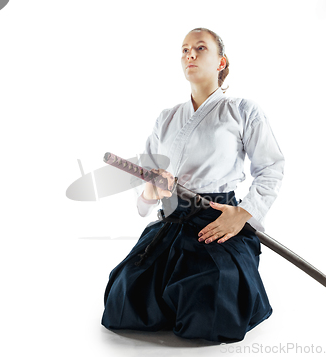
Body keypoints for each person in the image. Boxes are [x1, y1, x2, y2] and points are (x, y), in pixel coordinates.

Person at [101, 27, 285, 342]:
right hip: (174, 220)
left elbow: (271, 166)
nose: (190, 55)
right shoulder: (167, 117)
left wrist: (241, 215)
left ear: (221, 62)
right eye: (185, 50)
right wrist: (153, 188)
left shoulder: (242, 111)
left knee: (212, 293)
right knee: (125, 291)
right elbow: (148, 187)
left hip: (216, 220)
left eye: (200, 48)